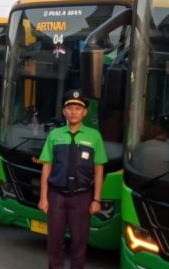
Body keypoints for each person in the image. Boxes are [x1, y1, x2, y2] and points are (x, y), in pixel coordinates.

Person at [38, 90, 106, 269]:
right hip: (57, 196)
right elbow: (46, 166)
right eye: (70, 108)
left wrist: (96, 199)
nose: (73, 111)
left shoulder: (94, 136)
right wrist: (43, 197)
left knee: (79, 242)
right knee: (54, 241)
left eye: (78, 108)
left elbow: (99, 169)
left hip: (82, 197)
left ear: (84, 112)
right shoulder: (55, 135)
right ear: (64, 112)